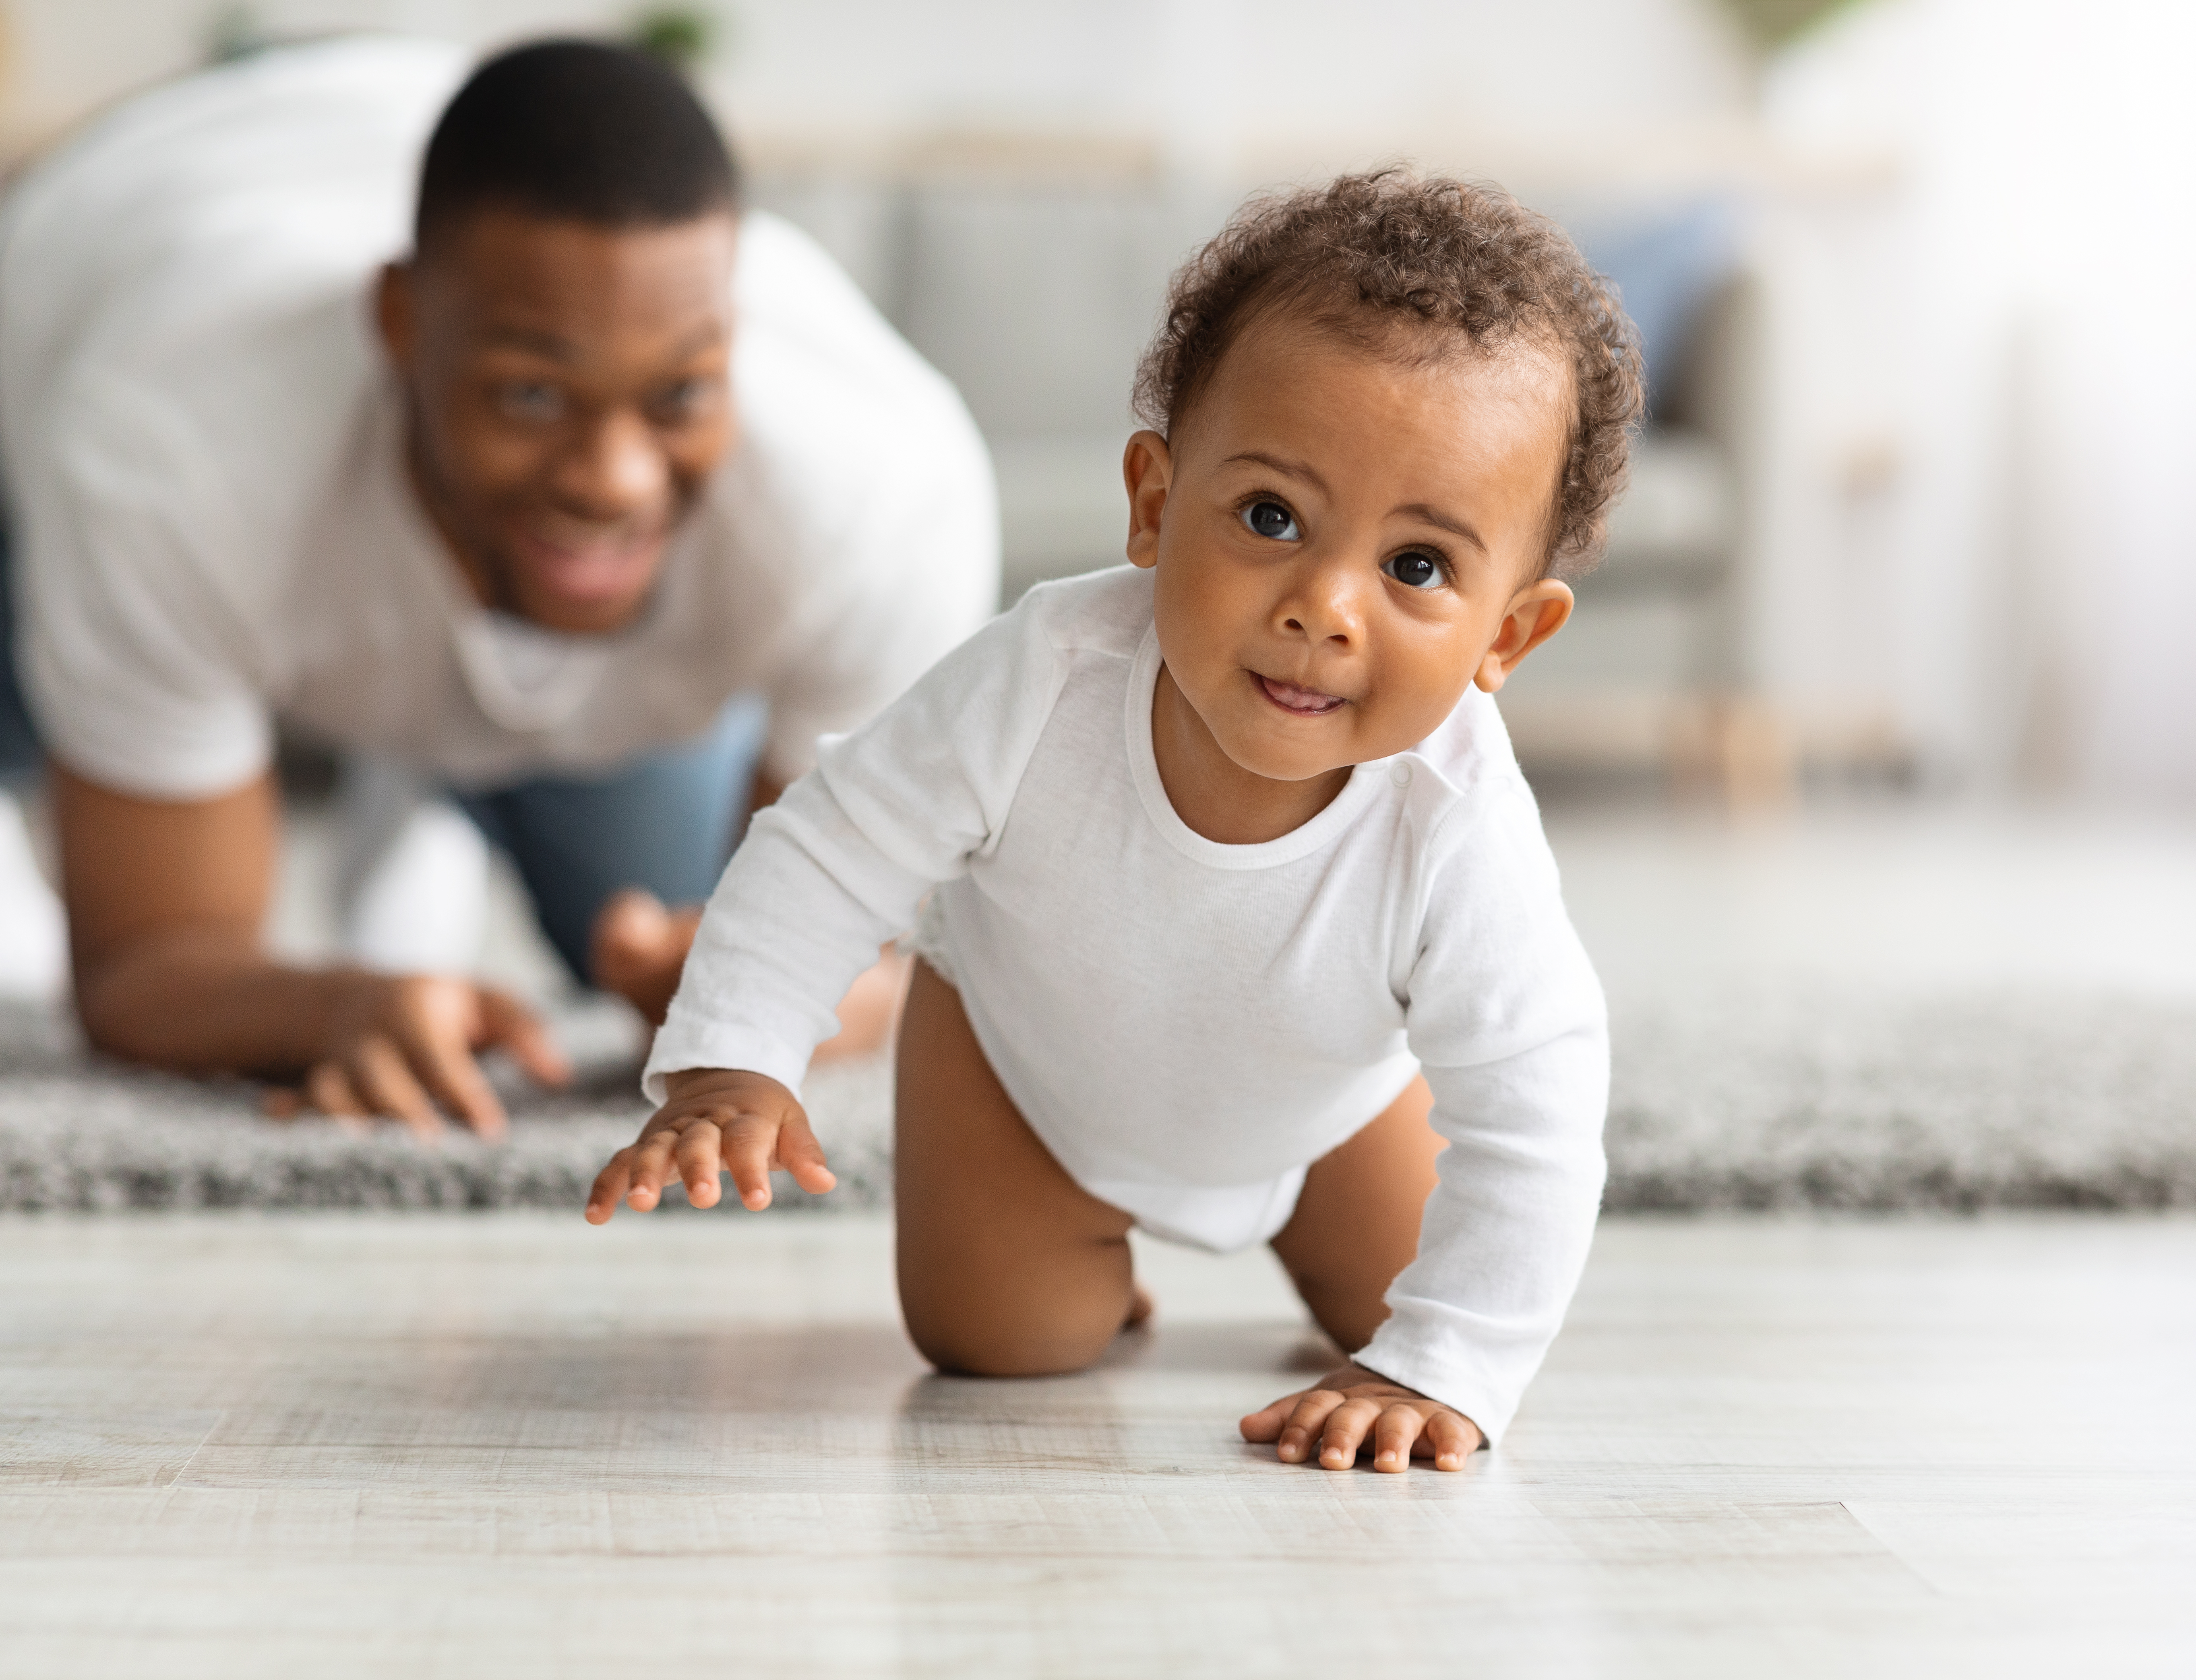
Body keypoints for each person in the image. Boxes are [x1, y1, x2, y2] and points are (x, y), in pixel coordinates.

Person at [586, 171, 1637, 1470]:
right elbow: (829, 843)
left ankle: (1360, 1285)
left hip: (1328, 1112)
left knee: (1412, 1330)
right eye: (1269, 517)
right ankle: (1081, 1245)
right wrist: (733, 1061)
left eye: (1416, 567)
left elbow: (1537, 1106)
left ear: (1509, 635)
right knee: (996, 1340)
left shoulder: (1457, 822)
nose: (1325, 605)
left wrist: (1449, 1367)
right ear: (1152, 500)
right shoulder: (1041, 678)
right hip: (1029, 1079)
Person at [0, 37, 997, 1132]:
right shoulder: (170, 448)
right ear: (397, 325)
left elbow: (884, 970)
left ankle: (423, 802)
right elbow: (145, 963)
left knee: (665, 943)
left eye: (675, 397)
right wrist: (332, 1006)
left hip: (514, 622)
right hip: (88, 330)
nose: (612, 480)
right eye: (529, 394)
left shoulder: (883, 495)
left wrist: (757, 994)